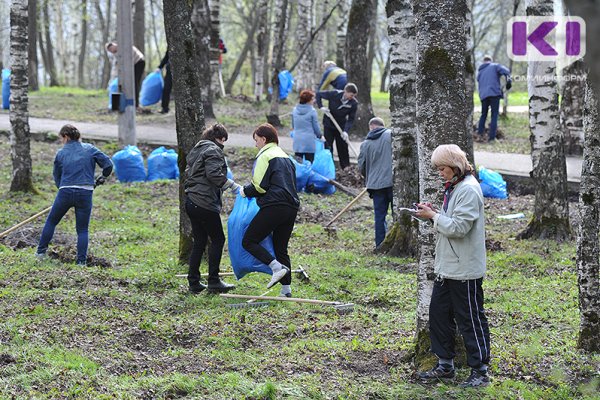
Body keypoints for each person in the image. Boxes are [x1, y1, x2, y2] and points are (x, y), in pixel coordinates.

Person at [414, 144, 491, 388]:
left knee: (470, 319)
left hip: (465, 269)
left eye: (442, 168)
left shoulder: (468, 189)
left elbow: (459, 228)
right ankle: (445, 364)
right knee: (438, 316)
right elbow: (452, 221)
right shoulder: (456, 187)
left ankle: (480, 370)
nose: (440, 173)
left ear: (455, 166)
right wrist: (434, 213)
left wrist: (434, 217)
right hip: (447, 267)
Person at [36, 124, 113, 265]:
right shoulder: (90, 149)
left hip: (65, 192)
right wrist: (102, 178)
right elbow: (108, 165)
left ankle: (40, 253)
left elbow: (57, 176)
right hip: (85, 193)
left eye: (61, 138)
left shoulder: (61, 153)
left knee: (51, 222)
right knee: (82, 229)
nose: (61, 142)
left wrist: (62, 189)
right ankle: (81, 262)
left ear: (66, 137)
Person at [240, 124, 299, 297]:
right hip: (292, 206)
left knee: (249, 241)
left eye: (256, 140)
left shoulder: (265, 155)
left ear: (264, 139)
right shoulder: (286, 157)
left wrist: (244, 191)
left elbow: (259, 186)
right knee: (281, 247)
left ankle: (276, 267)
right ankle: (286, 291)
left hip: (274, 205)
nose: (255, 144)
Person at [184, 124, 240, 294]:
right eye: (223, 140)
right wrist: (233, 186)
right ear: (220, 138)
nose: (223, 143)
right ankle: (214, 281)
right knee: (218, 239)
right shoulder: (214, 150)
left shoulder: (198, 149)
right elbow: (214, 174)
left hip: (191, 200)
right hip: (204, 203)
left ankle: (193, 282)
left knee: (200, 242)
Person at [357, 117, 392, 248]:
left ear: (370, 127)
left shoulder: (366, 143)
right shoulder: (391, 136)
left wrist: (370, 177)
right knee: (398, 215)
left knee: (379, 217)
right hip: (393, 183)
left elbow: (361, 166)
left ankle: (380, 244)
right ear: (383, 126)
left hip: (376, 186)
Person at [316, 83, 358, 170]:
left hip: (341, 127)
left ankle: (346, 168)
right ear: (345, 92)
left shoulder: (353, 103)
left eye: (354, 96)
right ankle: (329, 167)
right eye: (351, 95)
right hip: (329, 124)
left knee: (343, 147)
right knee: (328, 146)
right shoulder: (334, 94)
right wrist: (321, 107)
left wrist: (346, 131)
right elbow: (318, 94)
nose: (352, 97)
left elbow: (351, 119)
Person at [477, 55, 511, 143]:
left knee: (483, 114)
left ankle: (480, 135)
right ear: (490, 61)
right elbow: (506, 71)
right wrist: (509, 82)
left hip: (483, 95)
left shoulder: (480, 71)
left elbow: (479, 82)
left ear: (484, 61)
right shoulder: (495, 66)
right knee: (494, 114)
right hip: (494, 93)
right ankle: (491, 138)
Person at [105, 42, 146, 108]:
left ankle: (136, 104)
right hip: (132, 64)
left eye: (111, 49)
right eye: (110, 51)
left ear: (113, 46)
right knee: (127, 84)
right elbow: (116, 66)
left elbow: (124, 62)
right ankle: (125, 103)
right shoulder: (116, 53)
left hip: (138, 62)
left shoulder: (122, 47)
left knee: (134, 83)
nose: (112, 52)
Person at [291, 89, 322, 163]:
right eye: (312, 99)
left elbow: (293, 125)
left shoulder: (294, 110)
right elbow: (316, 128)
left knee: (298, 164)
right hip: (309, 141)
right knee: (309, 163)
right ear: (308, 100)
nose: (314, 101)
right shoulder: (312, 111)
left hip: (297, 141)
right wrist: (320, 136)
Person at [156, 50, 172, 114]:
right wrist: (160, 67)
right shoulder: (171, 43)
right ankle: (165, 108)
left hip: (182, 69)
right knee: (166, 89)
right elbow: (166, 56)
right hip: (170, 70)